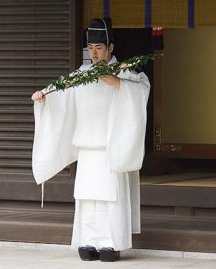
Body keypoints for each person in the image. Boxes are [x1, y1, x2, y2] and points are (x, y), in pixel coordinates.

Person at [30, 17, 150, 262]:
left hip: (111, 149)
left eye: (99, 48)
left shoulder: (125, 73)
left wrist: (118, 84)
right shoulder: (80, 76)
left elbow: (141, 90)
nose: (94, 54)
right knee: (87, 198)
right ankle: (87, 241)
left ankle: (111, 243)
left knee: (110, 197)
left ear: (110, 48)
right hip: (87, 150)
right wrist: (44, 97)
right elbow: (60, 92)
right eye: (91, 48)